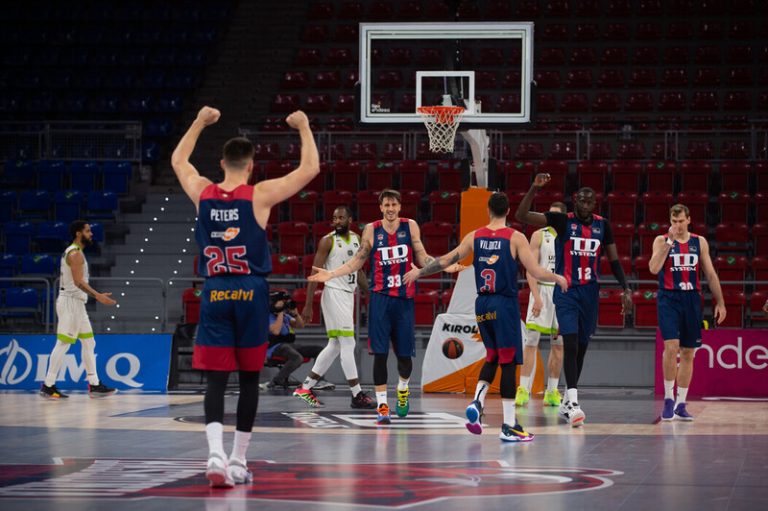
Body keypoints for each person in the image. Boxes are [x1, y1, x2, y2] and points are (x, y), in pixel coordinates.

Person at [171, 106, 319, 487]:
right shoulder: (259, 195)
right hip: (250, 291)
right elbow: (309, 169)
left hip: (216, 291)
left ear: (222, 163)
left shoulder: (203, 192)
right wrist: (302, 126)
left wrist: (200, 122)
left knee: (217, 381)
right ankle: (238, 461)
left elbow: (178, 160)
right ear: (251, 166)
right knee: (251, 379)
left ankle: (215, 454)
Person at [404, 192, 568, 442]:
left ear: (488, 210)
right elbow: (534, 270)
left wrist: (420, 273)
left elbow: (446, 260)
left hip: (482, 304)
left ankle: (478, 402)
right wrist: (556, 277)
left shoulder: (475, 236)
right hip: (504, 304)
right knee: (509, 363)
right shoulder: (516, 237)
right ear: (508, 210)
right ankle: (510, 424)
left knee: (491, 357)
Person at [308, 189, 456, 425]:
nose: (390, 208)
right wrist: (332, 274)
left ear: (399, 207)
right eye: (386, 204)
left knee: (405, 357)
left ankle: (403, 389)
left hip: (404, 300)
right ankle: (383, 405)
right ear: (380, 207)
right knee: (380, 354)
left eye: (393, 205)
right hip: (379, 299)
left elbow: (422, 256)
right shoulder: (371, 229)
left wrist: (442, 266)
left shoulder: (410, 226)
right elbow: (358, 260)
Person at [515, 174, 633, 427]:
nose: (585, 205)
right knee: (567, 342)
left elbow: (613, 260)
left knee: (580, 347)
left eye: (590, 202)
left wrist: (626, 288)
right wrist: (534, 188)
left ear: (595, 204)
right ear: (575, 201)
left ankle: (569, 398)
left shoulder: (603, 225)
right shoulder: (562, 220)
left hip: (590, 293)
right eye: (581, 200)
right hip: (566, 291)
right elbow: (522, 216)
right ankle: (573, 401)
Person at [648, 204, 726, 422]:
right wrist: (669, 242)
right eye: (674, 222)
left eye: (681, 221)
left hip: (691, 298)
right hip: (668, 298)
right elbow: (653, 268)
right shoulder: (661, 240)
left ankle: (681, 403)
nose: (678, 226)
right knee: (671, 347)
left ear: (689, 220)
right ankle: (668, 399)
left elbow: (710, 273)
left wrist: (720, 302)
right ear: (670, 222)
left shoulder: (699, 242)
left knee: (689, 352)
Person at [296, 206, 375, 409]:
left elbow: (358, 271)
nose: (337, 221)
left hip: (348, 295)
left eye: (341, 218)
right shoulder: (327, 240)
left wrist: (370, 294)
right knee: (348, 344)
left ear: (350, 219)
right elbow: (315, 273)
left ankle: (305, 388)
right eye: (334, 218)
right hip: (333, 293)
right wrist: (307, 305)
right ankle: (357, 395)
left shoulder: (358, 239)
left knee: (335, 346)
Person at [40, 220, 117, 400]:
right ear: (78, 233)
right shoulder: (75, 254)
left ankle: (94, 384)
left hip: (77, 304)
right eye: (88, 231)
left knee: (89, 343)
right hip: (70, 303)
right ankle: (48, 385)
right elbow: (78, 282)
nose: (91, 234)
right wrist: (98, 295)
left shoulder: (77, 252)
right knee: (63, 344)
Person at [516, 201, 567, 408]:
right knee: (530, 343)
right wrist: (535, 296)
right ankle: (523, 389)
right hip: (541, 290)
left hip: (561, 292)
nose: (551, 218)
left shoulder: (568, 235)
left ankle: (552, 391)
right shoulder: (538, 235)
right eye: (549, 214)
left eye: (556, 215)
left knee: (558, 345)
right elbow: (530, 268)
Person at [262, 289, 334, 394]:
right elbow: (276, 331)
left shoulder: (286, 316)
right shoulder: (266, 316)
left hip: (290, 345)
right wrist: (281, 312)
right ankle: (276, 380)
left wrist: (295, 314)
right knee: (297, 358)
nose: (285, 304)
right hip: (275, 347)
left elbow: (300, 325)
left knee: (320, 351)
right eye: (281, 302)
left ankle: (318, 380)